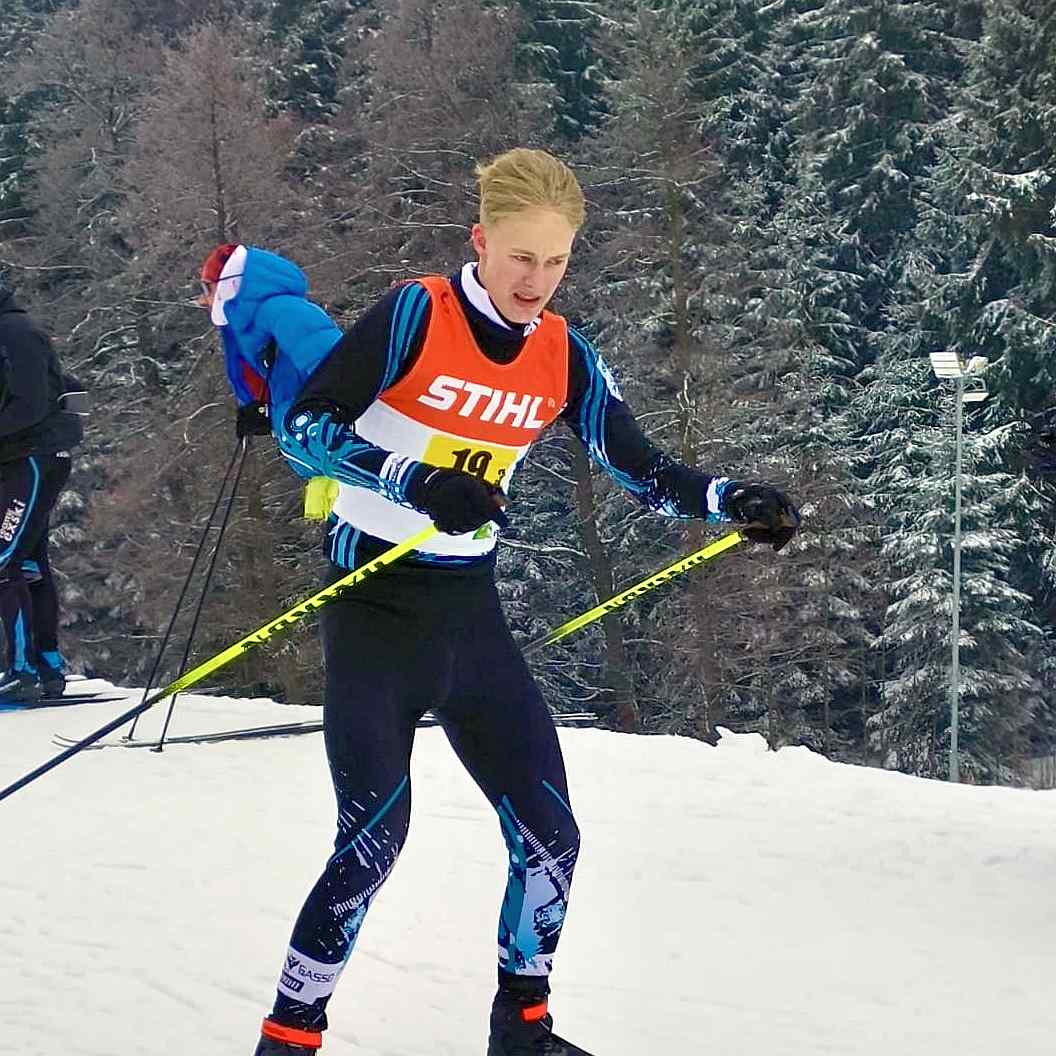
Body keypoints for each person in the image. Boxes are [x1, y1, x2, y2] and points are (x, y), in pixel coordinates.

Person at [252, 148, 800, 1056]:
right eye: (519, 257)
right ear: (481, 241)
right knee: (372, 845)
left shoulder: (562, 353)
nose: (535, 281)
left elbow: (639, 465)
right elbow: (306, 428)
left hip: (468, 615)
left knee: (552, 837)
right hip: (374, 607)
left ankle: (523, 1032)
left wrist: (729, 498)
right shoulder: (417, 314)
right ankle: (288, 1037)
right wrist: (413, 480)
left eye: (555, 261)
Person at [0, 285, 84, 703]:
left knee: (3, 560)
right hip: (24, 457)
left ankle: (22, 671)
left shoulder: (14, 331)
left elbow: (30, 404)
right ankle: (45, 664)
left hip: (32, 457)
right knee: (28, 560)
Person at [197, 243, 343, 452]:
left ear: (228, 283)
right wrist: (267, 413)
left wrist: (323, 419)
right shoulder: (252, 327)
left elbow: (339, 371)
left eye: (207, 288)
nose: (203, 300)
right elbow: (288, 385)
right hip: (320, 449)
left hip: (338, 445)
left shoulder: (283, 311)